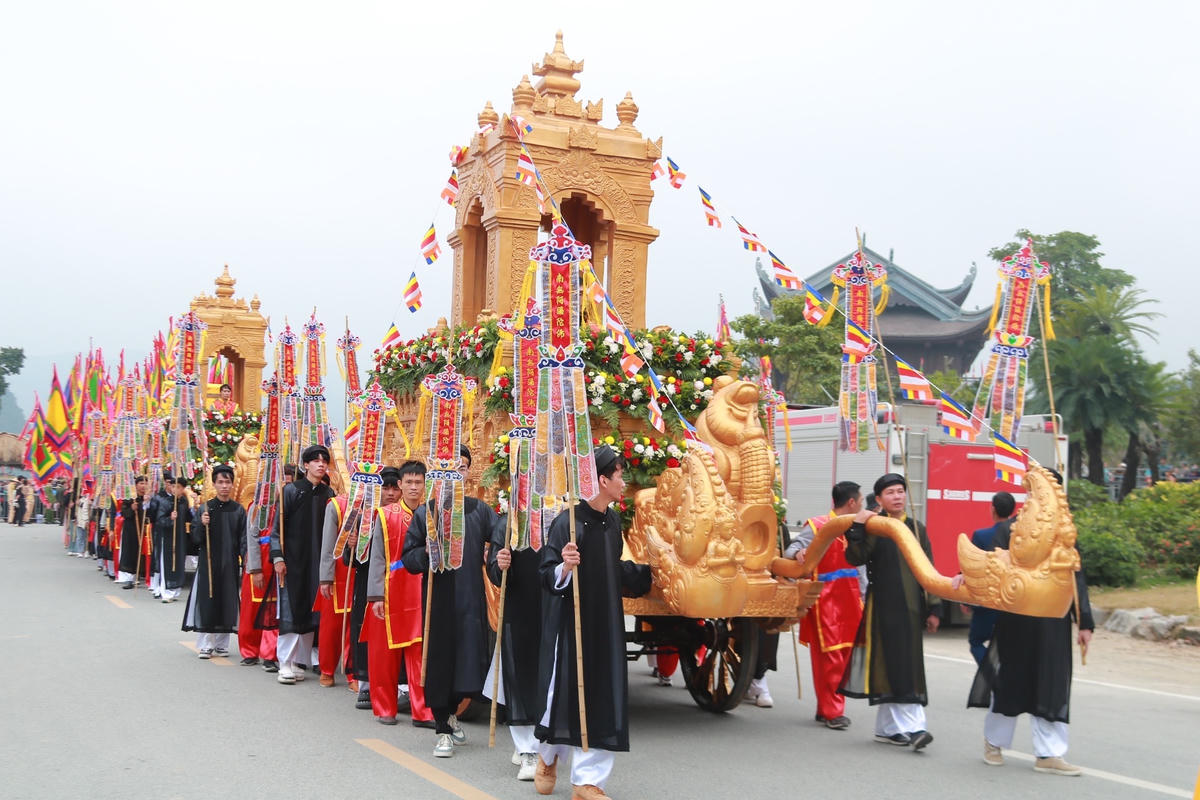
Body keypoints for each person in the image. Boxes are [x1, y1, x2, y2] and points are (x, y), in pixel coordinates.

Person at [533, 445, 652, 800]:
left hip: (607, 623)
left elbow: (612, 567)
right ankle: (547, 757)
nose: (624, 482)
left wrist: (648, 574)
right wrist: (565, 566)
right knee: (563, 695)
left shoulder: (612, 522)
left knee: (603, 695)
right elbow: (546, 574)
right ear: (602, 479)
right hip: (572, 624)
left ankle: (587, 781)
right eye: (619, 476)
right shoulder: (566, 523)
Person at [967, 472, 1094, 777]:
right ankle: (994, 743)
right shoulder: (1009, 529)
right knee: (1009, 681)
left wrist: (1084, 623)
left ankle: (1049, 754)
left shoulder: (1065, 533)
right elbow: (994, 566)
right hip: (1017, 621)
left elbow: (1076, 579)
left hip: (1054, 623)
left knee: (1052, 683)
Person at [402, 445, 502, 758]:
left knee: (469, 664)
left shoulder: (479, 510)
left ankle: (452, 713)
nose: (456, 473)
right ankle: (442, 728)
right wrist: (425, 553)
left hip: (470, 600)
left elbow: (500, 538)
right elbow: (409, 557)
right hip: (438, 602)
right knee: (440, 664)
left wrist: (500, 556)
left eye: (462, 467)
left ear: (468, 472)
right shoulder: (426, 513)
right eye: (450, 467)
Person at [838, 473, 940, 751]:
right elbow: (855, 557)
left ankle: (887, 730)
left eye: (900, 491)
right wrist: (858, 527)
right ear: (880, 499)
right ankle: (916, 728)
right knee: (896, 665)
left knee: (902, 665)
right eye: (890, 492)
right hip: (884, 607)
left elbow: (928, 568)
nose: (897, 496)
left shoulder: (917, 528)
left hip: (912, 609)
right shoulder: (877, 527)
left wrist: (934, 608)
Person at [785, 481, 865, 730]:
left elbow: (862, 569)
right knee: (831, 657)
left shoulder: (857, 528)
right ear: (851, 502)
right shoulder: (817, 525)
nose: (861, 505)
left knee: (842, 656)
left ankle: (826, 707)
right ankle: (833, 712)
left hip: (851, 600)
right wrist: (798, 553)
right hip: (825, 600)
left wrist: (865, 596)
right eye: (860, 501)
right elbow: (792, 549)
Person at [253, 445, 335, 684]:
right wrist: (278, 557)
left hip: (317, 561)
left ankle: (300, 662)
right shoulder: (291, 491)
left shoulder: (328, 494)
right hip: (292, 561)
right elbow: (277, 530)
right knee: (291, 610)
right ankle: (285, 663)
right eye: (315, 460)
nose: (321, 464)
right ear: (306, 465)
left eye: (324, 461)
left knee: (311, 611)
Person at [365, 462, 435, 728]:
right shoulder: (386, 515)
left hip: (421, 591)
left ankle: (422, 711)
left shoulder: (432, 515)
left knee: (420, 654)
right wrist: (375, 596)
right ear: (401, 484)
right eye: (409, 482)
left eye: (418, 482)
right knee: (384, 654)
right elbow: (377, 557)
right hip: (390, 589)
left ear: (425, 485)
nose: (414, 487)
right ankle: (385, 707)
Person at [486, 504, 546, 781]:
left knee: (547, 677)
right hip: (519, 607)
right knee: (518, 677)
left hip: (552, 605)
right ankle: (527, 750)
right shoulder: (509, 522)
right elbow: (493, 569)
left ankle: (540, 742)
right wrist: (499, 566)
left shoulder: (560, 518)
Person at [183, 465, 245, 658]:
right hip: (208, 562)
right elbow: (195, 539)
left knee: (227, 600)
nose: (224, 486)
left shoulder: (238, 510)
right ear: (214, 484)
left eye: (227, 482)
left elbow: (243, 539)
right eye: (220, 482)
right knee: (208, 600)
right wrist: (202, 524)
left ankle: (222, 643)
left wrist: (245, 561)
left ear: (232, 484)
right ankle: (206, 644)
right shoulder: (205, 509)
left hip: (230, 562)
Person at [965, 492, 1015, 665]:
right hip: (1011, 600)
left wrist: (967, 600)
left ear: (992, 509)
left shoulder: (981, 535)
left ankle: (991, 674)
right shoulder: (1018, 537)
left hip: (987, 601)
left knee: (976, 642)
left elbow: (973, 568)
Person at [316, 484, 354, 690]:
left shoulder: (379, 505)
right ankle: (327, 668)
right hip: (338, 573)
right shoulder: (337, 505)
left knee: (355, 627)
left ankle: (353, 673)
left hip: (362, 573)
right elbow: (328, 545)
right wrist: (325, 577)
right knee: (331, 626)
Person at [148, 477, 190, 603]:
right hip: (167, 538)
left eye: (178, 487)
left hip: (180, 537)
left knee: (179, 563)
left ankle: (175, 590)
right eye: (173, 487)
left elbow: (188, 517)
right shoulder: (166, 502)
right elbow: (159, 520)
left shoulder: (183, 502)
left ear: (183, 489)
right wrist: (170, 519)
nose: (175, 489)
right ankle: (166, 592)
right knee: (167, 563)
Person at [113, 477, 150, 589]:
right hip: (131, 529)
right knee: (130, 552)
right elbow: (124, 513)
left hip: (145, 529)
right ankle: (129, 578)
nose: (143, 486)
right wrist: (132, 509)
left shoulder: (148, 497)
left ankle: (142, 575)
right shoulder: (130, 498)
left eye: (145, 483)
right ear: (136, 485)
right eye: (141, 483)